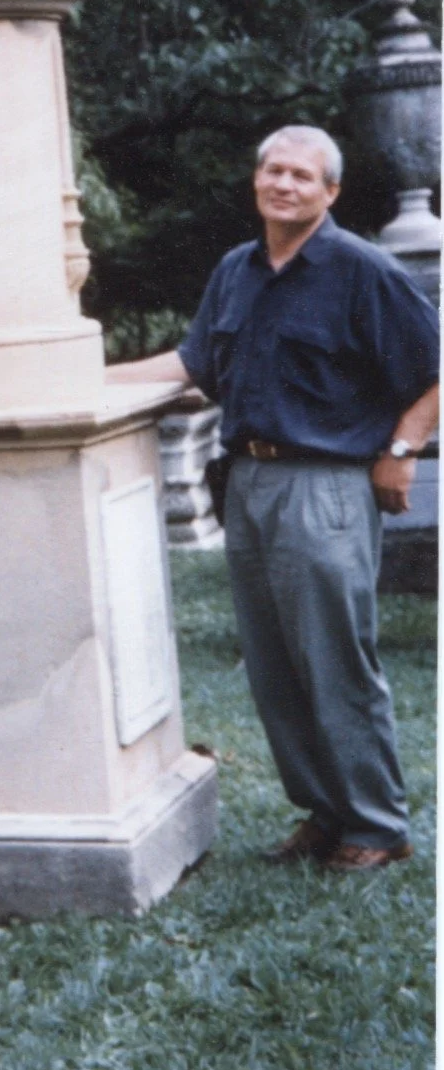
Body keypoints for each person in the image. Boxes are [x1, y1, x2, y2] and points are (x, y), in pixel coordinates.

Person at [110, 125, 439, 873]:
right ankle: (326, 813)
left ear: (331, 192)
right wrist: (84, 376)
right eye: (274, 171)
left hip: (325, 484)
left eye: (302, 175)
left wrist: (401, 453)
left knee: (333, 657)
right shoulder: (238, 269)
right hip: (249, 481)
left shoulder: (363, 270)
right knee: (275, 664)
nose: (284, 184)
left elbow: (434, 371)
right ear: (256, 180)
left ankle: (377, 824)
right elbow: (192, 364)